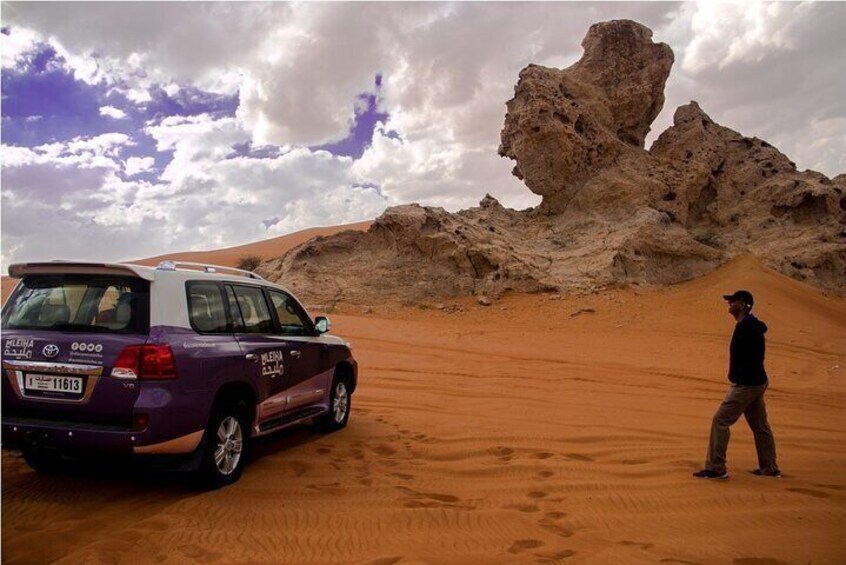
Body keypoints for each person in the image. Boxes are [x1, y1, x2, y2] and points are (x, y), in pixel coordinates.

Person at [693, 290, 780, 480]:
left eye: (733, 301)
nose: (729, 303)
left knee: (720, 421)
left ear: (743, 305)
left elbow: (751, 357)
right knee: (760, 425)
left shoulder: (747, 327)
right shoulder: (749, 325)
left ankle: (716, 468)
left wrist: (739, 378)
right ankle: (769, 468)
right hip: (756, 382)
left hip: (747, 384)